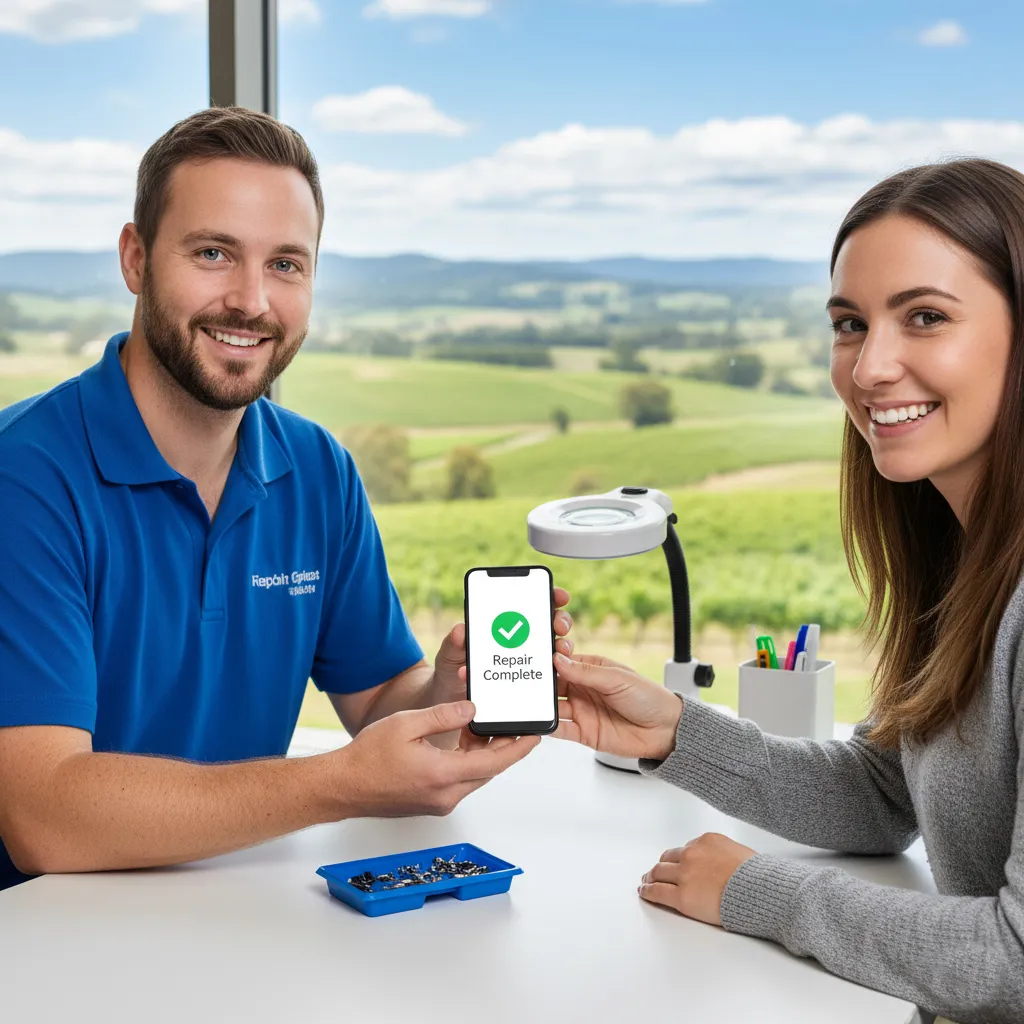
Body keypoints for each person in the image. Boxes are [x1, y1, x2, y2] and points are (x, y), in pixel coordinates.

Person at [0, 107, 572, 892]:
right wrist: (338, 782)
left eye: (286, 265)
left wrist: (448, 694)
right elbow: (42, 817)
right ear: (135, 258)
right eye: (213, 253)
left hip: (238, 906)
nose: (251, 301)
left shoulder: (317, 469)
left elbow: (380, 698)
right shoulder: (25, 476)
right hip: (42, 936)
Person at [550, 159, 1024, 1024]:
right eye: (850, 325)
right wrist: (675, 732)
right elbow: (888, 795)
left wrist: (760, 893)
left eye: (925, 317)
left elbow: (1016, 962)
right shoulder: (964, 561)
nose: (870, 367)